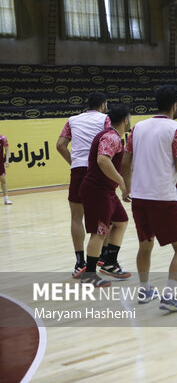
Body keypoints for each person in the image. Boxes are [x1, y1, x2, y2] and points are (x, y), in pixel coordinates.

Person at [122, 85, 177, 312]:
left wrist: (126, 187)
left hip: (139, 198)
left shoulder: (138, 128)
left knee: (145, 245)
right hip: (162, 198)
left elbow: (125, 162)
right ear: (175, 104)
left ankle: (144, 288)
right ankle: (168, 295)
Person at [56, 92, 110, 278]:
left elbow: (60, 145)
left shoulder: (72, 120)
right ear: (103, 105)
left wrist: (74, 162)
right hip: (98, 170)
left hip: (78, 170)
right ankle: (102, 257)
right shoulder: (106, 119)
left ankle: (80, 262)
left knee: (76, 217)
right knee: (104, 214)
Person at [78, 105, 132, 287]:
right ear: (125, 119)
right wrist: (122, 182)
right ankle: (90, 274)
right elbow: (103, 160)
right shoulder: (111, 137)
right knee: (99, 232)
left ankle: (109, 263)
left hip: (106, 190)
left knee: (121, 221)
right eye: (129, 118)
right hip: (97, 191)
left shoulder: (113, 136)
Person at [1, 134, 11, 205]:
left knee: (3, 179)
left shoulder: (2, 138)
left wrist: (7, 160)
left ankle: (6, 199)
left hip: (0, 163)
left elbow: (7, 149)